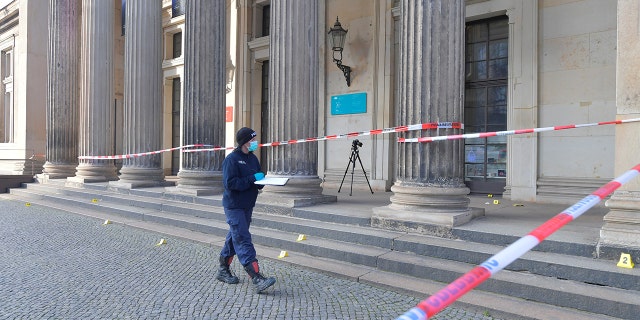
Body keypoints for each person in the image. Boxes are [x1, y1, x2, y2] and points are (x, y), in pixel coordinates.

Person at [216, 127, 276, 294]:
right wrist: (251, 179)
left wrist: (262, 180)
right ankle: (256, 277)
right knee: (242, 237)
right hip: (234, 206)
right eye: (252, 139)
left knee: (234, 236)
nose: (255, 142)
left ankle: (223, 269)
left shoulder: (253, 159)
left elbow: (256, 180)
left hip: (247, 205)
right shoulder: (232, 160)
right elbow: (230, 183)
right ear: (244, 142)